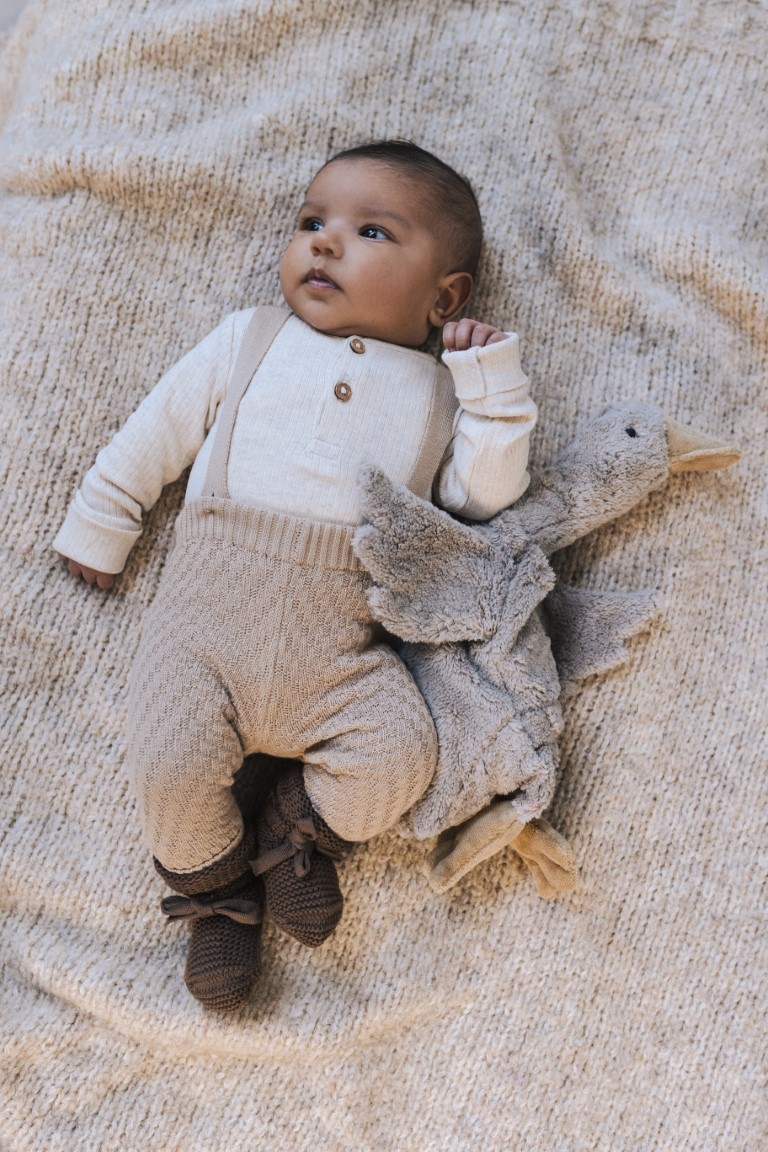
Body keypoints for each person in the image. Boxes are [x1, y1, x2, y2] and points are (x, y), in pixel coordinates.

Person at [54, 140, 537, 1011]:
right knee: (169, 763)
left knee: (403, 754)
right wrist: (103, 518)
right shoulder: (250, 339)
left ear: (445, 299)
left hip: (341, 656)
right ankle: (217, 897)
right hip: (203, 635)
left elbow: (482, 498)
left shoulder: (440, 396)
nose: (324, 240)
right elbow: (158, 430)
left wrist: (492, 390)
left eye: (371, 231)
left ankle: (295, 828)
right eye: (312, 220)